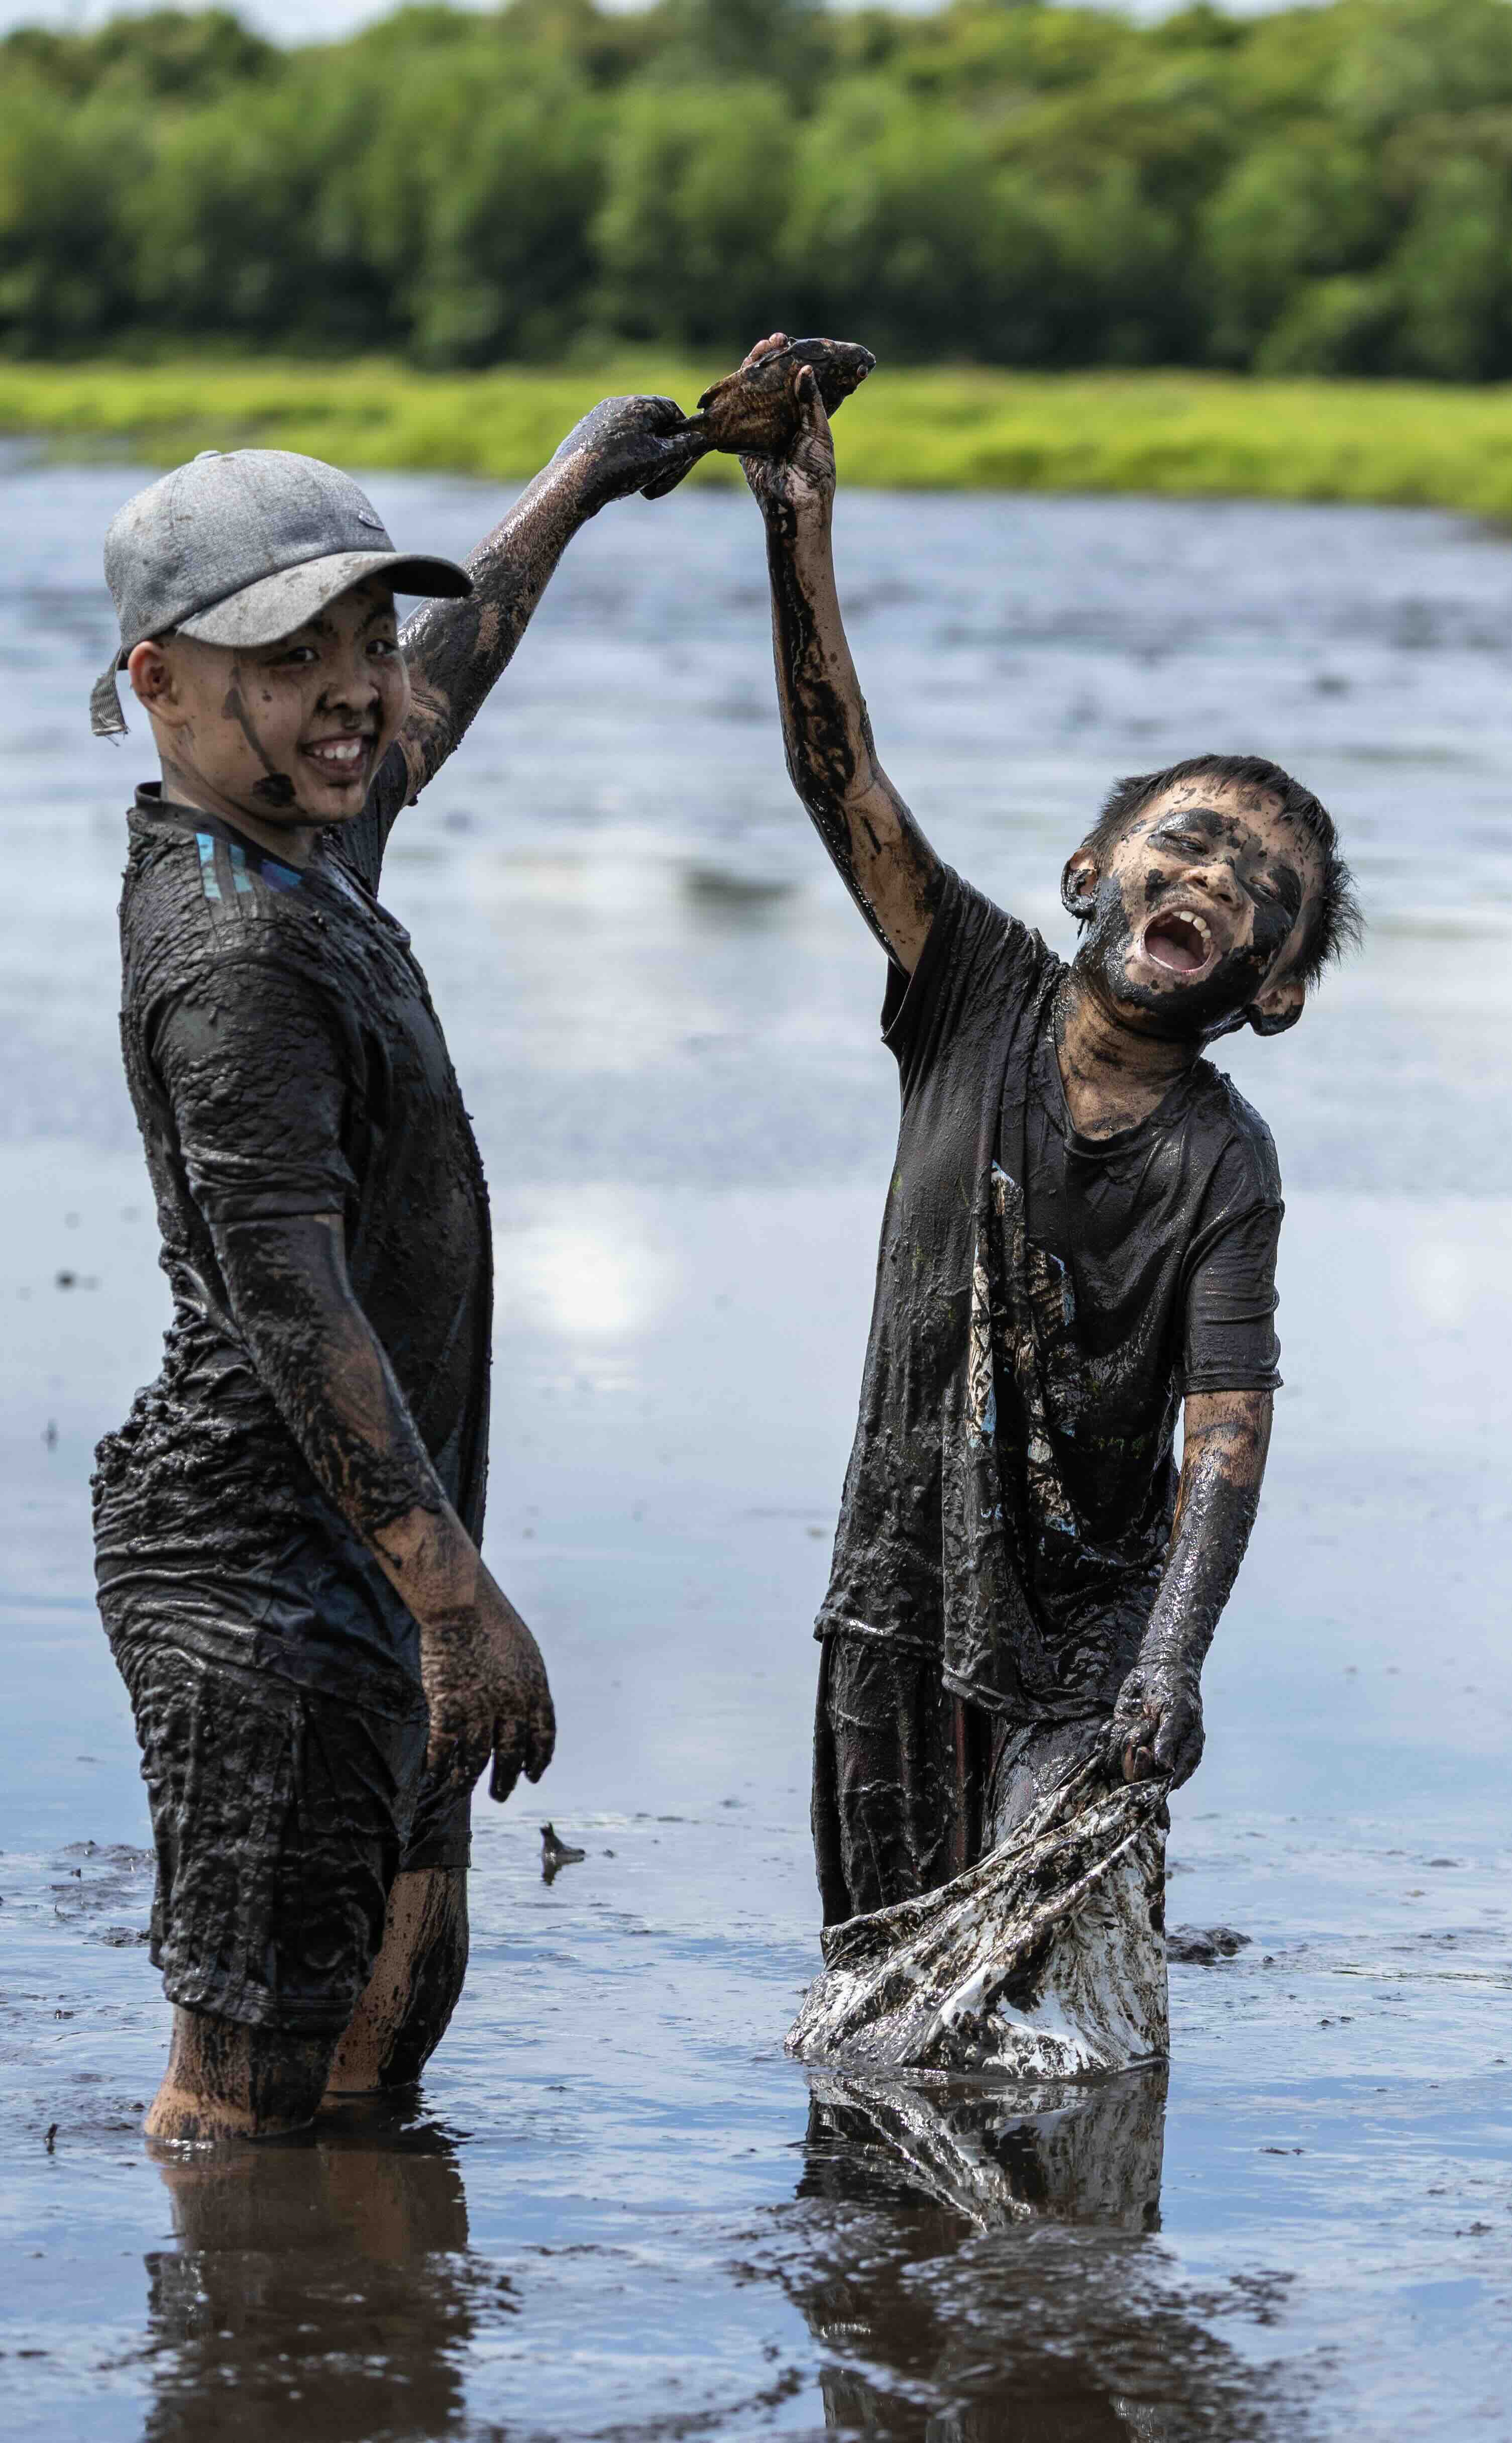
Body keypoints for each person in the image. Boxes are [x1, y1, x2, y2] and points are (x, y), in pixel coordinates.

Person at [89, 402, 702, 2139]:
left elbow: (440, 686)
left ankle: (359, 2371)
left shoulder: (300, 839)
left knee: (381, 2041)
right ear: (163, 684)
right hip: (261, 1579)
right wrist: (454, 1602)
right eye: (296, 655)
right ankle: (242, 2374)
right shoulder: (235, 948)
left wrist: (576, 485)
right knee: (250, 2097)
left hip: (365, 1546)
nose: (357, 687)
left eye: (363, 635)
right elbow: (289, 1294)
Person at [738, 345, 1361, 1928]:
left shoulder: (1228, 1163)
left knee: (1065, 2042)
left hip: (1090, 1656)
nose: (1220, 877)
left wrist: (1168, 1669)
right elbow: (842, 782)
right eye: (1193, 841)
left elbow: (1227, 1425)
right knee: (885, 2015)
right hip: (892, 1602)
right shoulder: (971, 995)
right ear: (1094, 874)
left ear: (1273, 991)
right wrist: (796, 518)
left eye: (1262, 890)